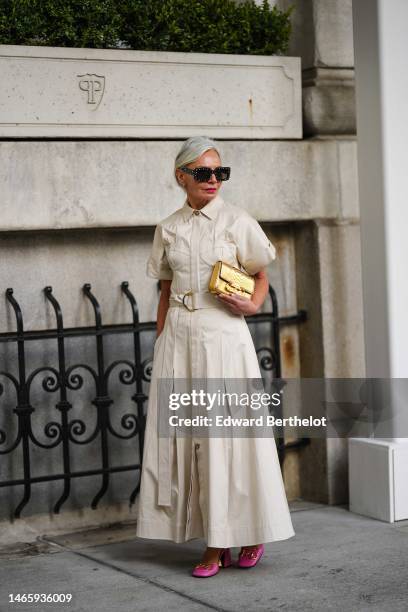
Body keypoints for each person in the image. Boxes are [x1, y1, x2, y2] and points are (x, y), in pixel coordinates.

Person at [136, 136, 295, 577]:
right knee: (191, 441)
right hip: (180, 340)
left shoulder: (237, 220)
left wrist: (254, 303)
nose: (213, 180)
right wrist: (161, 339)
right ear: (181, 176)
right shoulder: (167, 227)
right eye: (203, 172)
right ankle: (214, 539)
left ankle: (235, 536)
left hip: (224, 337)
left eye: (219, 173)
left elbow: (259, 275)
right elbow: (164, 290)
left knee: (229, 438)